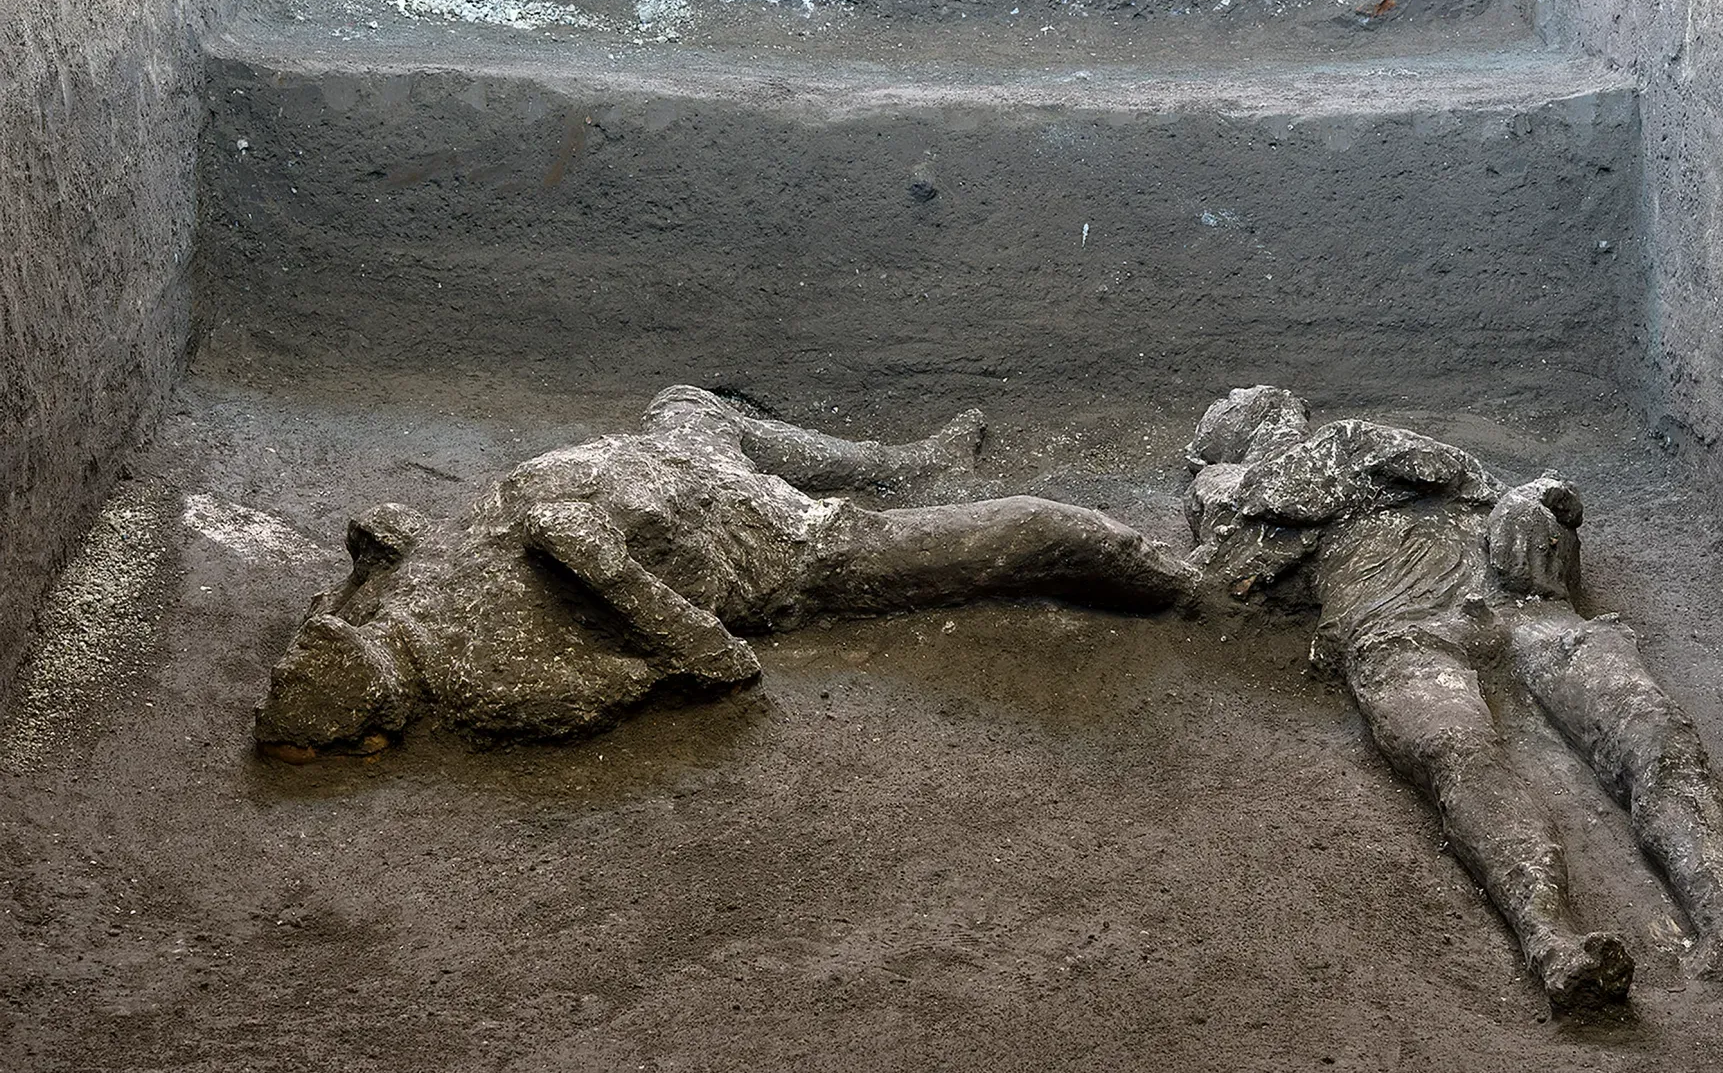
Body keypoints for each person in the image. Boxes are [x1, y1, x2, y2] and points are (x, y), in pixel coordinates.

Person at [1184, 386, 1723, 1011]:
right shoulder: (1228, 493)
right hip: (1395, 626)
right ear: (1219, 446)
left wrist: (1540, 500)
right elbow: (1212, 581)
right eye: (1234, 405)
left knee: (1651, 729)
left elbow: (1514, 500)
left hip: (1519, 603)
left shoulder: (1382, 447)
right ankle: (1550, 940)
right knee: (1460, 753)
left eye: (1253, 398)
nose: (1250, 398)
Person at [256, 386, 1195, 758]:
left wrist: (377, 554)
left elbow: (387, 543)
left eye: (341, 628)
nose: (351, 627)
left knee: (691, 402)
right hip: (773, 546)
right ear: (386, 701)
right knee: (1037, 529)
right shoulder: (499, 689)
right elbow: (722, 665)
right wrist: (609, 573)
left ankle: (902, 463)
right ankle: (1213, 586)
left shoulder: (382, 614)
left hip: (671, 467)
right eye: (354, 643)